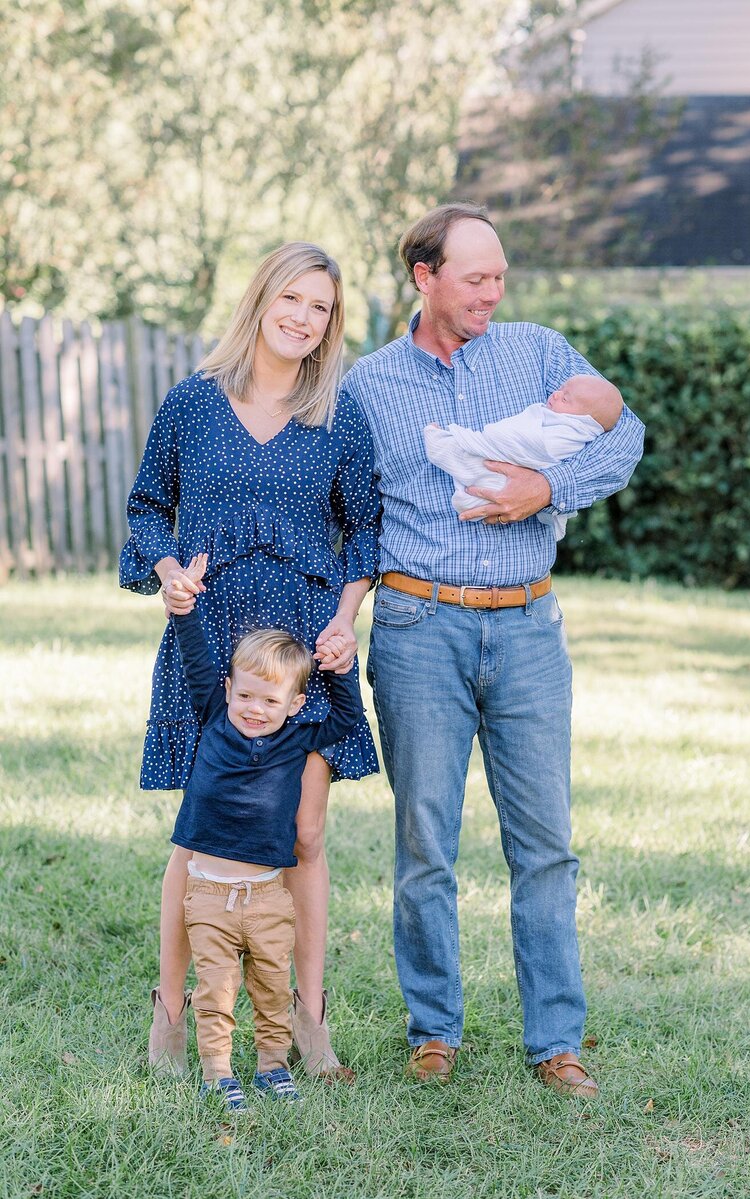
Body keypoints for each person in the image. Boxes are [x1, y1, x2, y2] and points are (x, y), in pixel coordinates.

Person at [341, 202, 645, 1096]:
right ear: (424, 278)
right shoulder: (369, 384)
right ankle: (434, 1030)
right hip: (416, 627)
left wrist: (545, 485)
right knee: (425, 841)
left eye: (500, 276)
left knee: (545, 844)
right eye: (475, 277)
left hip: (528, 629)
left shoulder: (540, 351)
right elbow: (346, 512)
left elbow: (623, 434)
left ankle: (557, 1039)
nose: (492, 292)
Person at [119, 242, 380, 1082]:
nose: (306, 318)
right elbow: (147, 504)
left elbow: (366, 530)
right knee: (196, 837)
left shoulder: (339, 413)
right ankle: (169, 1012)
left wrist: (345, 622)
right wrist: (167, 573)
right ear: (263, 297)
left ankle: (309, 1017)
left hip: (301, 651)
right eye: (294, 299)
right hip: (210, 641)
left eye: (323, 309)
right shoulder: (193, 403)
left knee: (304, 832)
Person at [166, 554, 366, 1110]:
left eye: (270, 701)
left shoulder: (297, 738)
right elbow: (194, 658)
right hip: (207, 891)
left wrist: (341, 674)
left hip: (269, 894)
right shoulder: (213, 712)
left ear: (295, 705)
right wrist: (185, 609)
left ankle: (274, 1066)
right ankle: (217, 1072)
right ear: (228, 688)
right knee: (216, 988)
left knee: (273, 986)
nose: (254, 710)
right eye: (246, 695)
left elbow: (346, 723)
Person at [424, 373, 623, 539]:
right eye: (560, 389)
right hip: (501, 477)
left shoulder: (569, 434)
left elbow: (523, 444)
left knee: (474, 460)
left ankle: (442, 445)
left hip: (502, 479)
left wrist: (546, 487)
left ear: (585, 420)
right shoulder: (562, 418)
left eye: (565, 398)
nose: (555, 394)